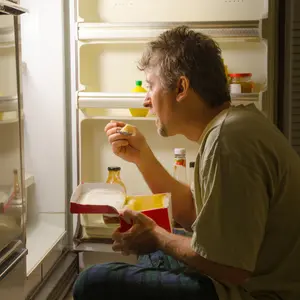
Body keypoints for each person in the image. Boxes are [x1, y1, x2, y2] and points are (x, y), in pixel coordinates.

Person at [73, 26, 300, 300]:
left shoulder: (228, 140)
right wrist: (141, 156)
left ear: (181, 87)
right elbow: (193, 212)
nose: (147, 101)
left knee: (92, 282)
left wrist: (157, 237)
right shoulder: (232, 127)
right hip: (240, 278)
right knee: (160, 245)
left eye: (151, 86)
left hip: (250, 292)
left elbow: (231, 269)